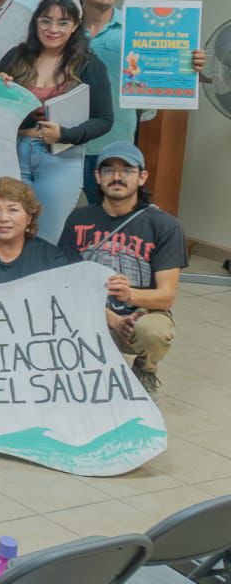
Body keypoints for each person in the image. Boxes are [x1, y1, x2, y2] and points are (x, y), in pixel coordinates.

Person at [58, 141, 186, 394]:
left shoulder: (164, 226)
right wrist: (111, 319)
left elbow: (166, 296)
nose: (117, 177)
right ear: (97, 176)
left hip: (140, 313)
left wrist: (130, 295)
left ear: (142, 177)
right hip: (87, 309)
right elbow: (64, 283)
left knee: (153, 332)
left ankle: (146, 368)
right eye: (108, 170)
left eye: (127, 170)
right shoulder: (79, 219)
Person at [0, 0, 114, 243]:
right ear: (35, 22)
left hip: (61, 158)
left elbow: (104, 119)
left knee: (47, 237)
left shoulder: (89, 65)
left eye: (63, 22)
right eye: (45, 21)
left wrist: (65, 134)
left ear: (74, 27)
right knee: (7, 233)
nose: (53, 29)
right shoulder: (15, 57)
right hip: (12, 154)